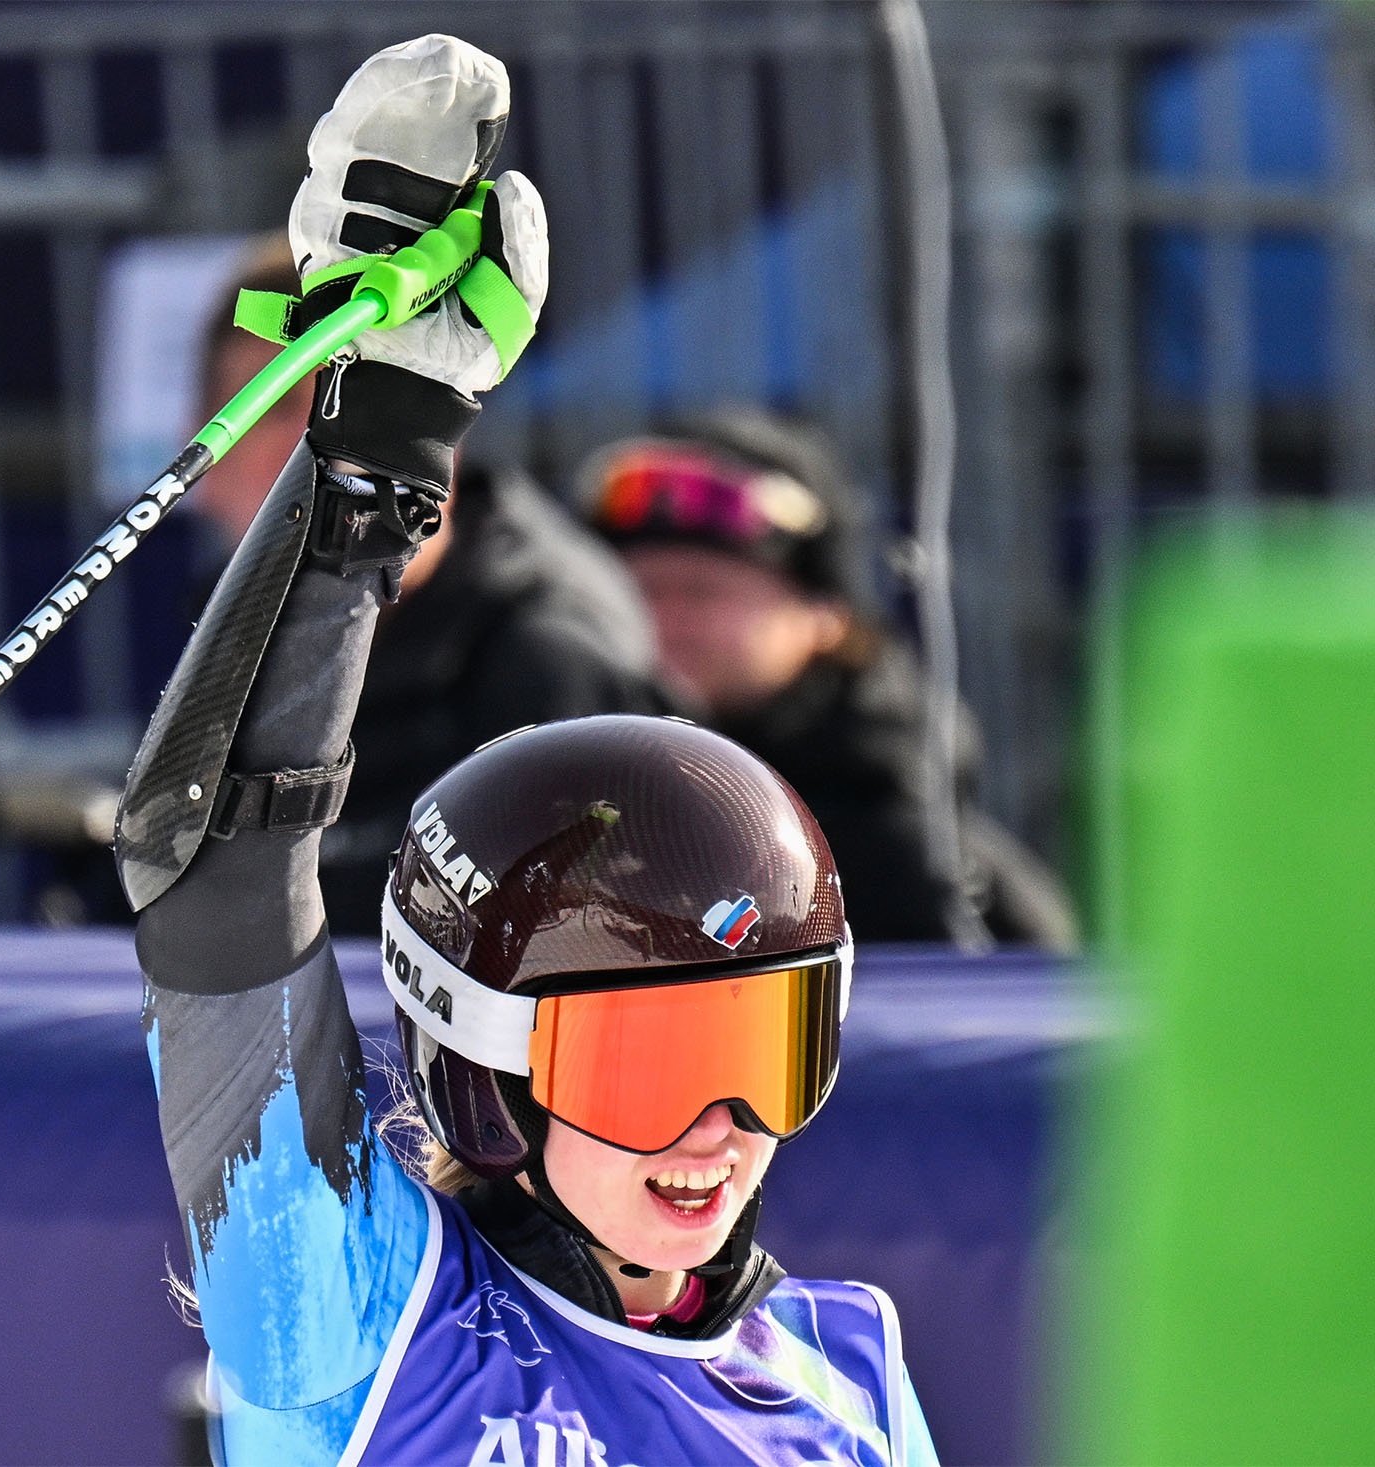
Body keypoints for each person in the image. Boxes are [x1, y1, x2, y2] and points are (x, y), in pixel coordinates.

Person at [115, 36, 937, 1466]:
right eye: (649, 1063)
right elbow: (208, 864)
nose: (718, 1130)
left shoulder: (841, 1372)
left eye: (763, 1046)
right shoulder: (358, 1319)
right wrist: (375, 456)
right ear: (489, 1073)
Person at [186, 259, 671, 942]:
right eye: (274, 407)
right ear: (205, 454)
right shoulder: (222, 637)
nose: (317, 446)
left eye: (357, 404)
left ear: (439, 442)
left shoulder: (551, 660)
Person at [576, 413, 1079, 951]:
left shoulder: (904, 852)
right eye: (639, 592)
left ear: (824, 616)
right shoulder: (575, 799)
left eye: (703, 593)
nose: (664, 620)